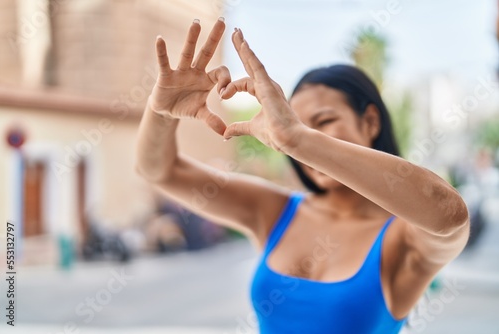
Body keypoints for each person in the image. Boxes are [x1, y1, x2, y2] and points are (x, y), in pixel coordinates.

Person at [135, 17, 470, 334]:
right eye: (293, 124)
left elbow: (449, 215)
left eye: (323, 122)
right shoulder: (277, 211)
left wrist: (298, 137)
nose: (301, 143)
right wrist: (161, 111)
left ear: (370, 122)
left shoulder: (404, 236)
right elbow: (160, 171)